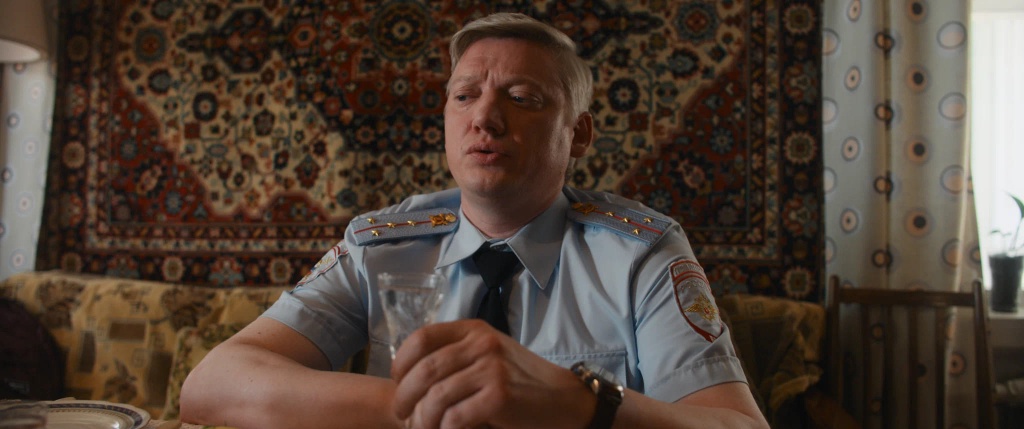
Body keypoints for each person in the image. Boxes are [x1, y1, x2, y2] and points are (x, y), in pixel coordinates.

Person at [180, 12, 768, 429]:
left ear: (579, 134)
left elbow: (737, 426)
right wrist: (429, 408)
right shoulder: (380, 246)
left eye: (522, 97)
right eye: (464, 96)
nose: (484, 117)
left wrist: (580, 403)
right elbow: (212, 385)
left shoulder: (641, 253)